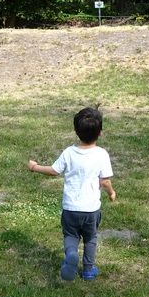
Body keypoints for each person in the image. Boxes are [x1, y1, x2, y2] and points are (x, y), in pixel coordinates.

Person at [28, 107, 116, 281]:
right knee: (90, 238)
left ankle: (70, 254)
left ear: (76, 132)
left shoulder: (69, 152)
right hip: (91, 210)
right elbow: (105, 181)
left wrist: (34, 167)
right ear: (100, 133)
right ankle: (89, 270)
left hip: (71, 208)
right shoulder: (101, 154)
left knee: (71, 236)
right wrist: (111, 193)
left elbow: (54, 171)